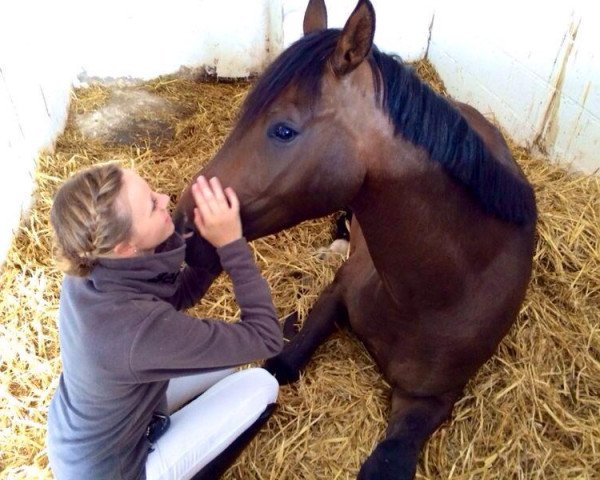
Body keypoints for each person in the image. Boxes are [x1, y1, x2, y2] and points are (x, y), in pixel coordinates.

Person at [46, 162, 284, 480]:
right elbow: (267, 337)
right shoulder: (136, 331)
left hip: (85, 431)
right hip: (114, 470)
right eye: (152, 206)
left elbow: (175, 296)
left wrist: (206, 244)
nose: (164, 198)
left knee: (224, 365)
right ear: (126, 247)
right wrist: (231, 246)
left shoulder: (89, 265)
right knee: (261, 384)